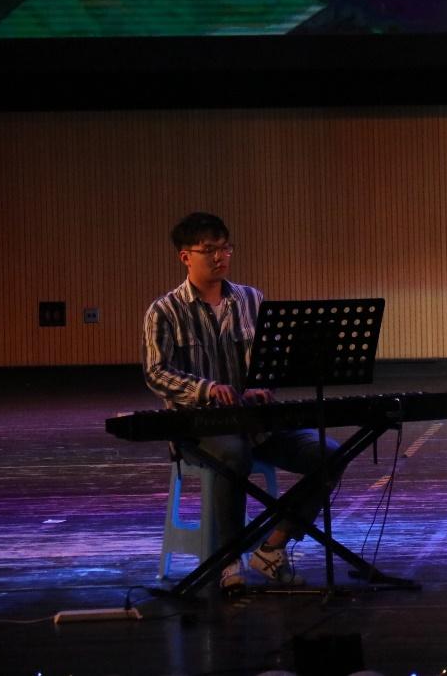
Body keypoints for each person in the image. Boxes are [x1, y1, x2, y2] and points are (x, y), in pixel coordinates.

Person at [143, 212, 343, 593]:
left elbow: (270, 362)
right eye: (210, 250)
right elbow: (156, 373)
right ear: (186, 257)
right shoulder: (164, 311)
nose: (220, 257)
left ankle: (272, 547)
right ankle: (229, 560)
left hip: (255, 424)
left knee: (329, 454)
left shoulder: (251, 299)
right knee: (234, 455)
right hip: (199, 429)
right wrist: (206, 389)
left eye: (225, 248)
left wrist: (260, 386)